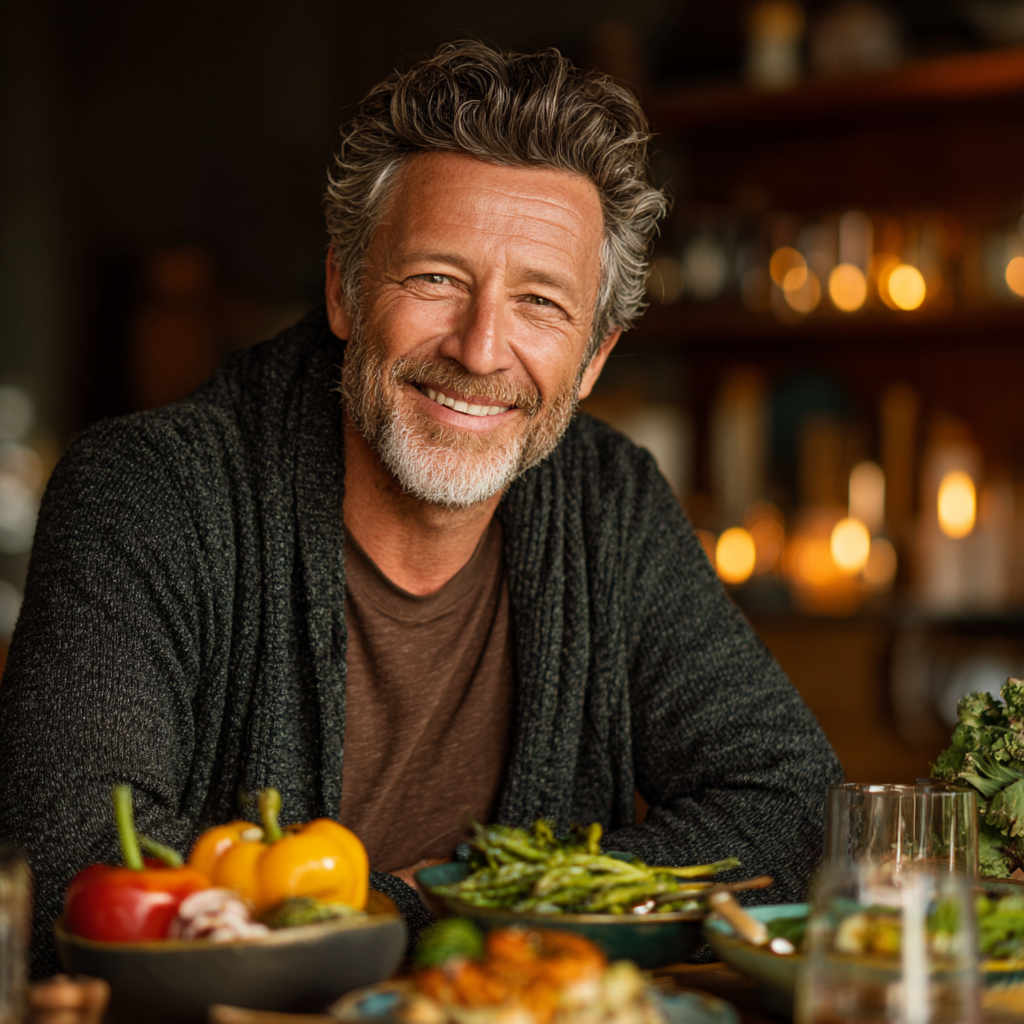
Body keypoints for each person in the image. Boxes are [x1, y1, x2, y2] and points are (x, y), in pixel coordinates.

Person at [0, 41, 842, 975]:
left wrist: (445, 905)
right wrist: (486, 923)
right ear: (344, 290)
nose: (481, 349)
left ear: (594, 357)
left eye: (540, 303)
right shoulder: (147, 492)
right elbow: (68, 862)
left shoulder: (611, 502)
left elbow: (792, 801)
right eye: (436, 278)